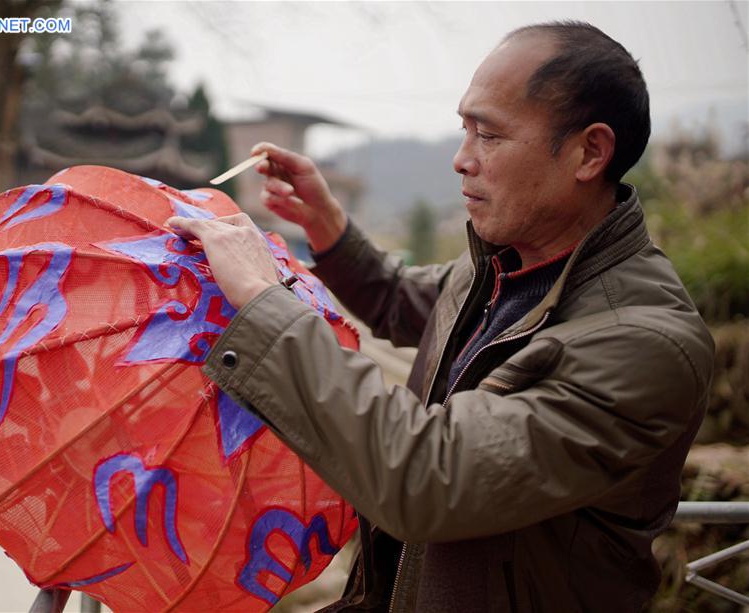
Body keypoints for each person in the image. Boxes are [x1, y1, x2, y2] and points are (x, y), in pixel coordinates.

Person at [168, 21, 715, 612]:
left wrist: (260, 298)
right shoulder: (504, 268)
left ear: (589, 152)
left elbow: (430, 478)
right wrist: (326, 225)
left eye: (490, 136)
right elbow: (402, 300)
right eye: (464, 130)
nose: (461, 160)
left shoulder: (643, 343)